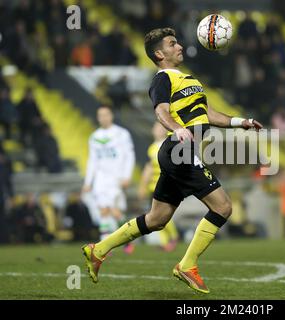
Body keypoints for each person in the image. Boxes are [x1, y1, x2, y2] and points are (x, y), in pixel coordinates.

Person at [82, 28, 262, 294]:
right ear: (159, 54)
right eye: (172, 44)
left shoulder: (189, 80)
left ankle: (98, 250)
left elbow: (209, 114)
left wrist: (240, 122)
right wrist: (177, 128)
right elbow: (161, 111)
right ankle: (187, 265)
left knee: (157, 219)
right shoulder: (162, 79)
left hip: (179, 152)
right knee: (222, 207)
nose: (179, 47)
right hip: (179, 150)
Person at [82, 106, 135, 254]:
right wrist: (88, 182)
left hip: (116, 177)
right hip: (100, 179)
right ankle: (104, 246)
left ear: (111, 116)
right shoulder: (94, 136)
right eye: (100, 115)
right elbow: (92, 160)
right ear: (98, 117)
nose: (103, 117)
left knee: (115, 212)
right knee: (103, 211)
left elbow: (129, 156)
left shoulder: (121, 134)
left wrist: (127, 176)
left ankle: (127, 239)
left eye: (106, 114)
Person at [138, 121, 179, 252]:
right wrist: (143, 186)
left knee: (162, 214)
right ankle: (165, 242)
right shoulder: (151, 148)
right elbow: (149, 168)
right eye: (155, 127)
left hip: (166, 185)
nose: (156, 129)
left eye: (159, 127)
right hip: (153, 187)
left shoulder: (170, 145)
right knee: (155, 215)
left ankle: (173, 237)